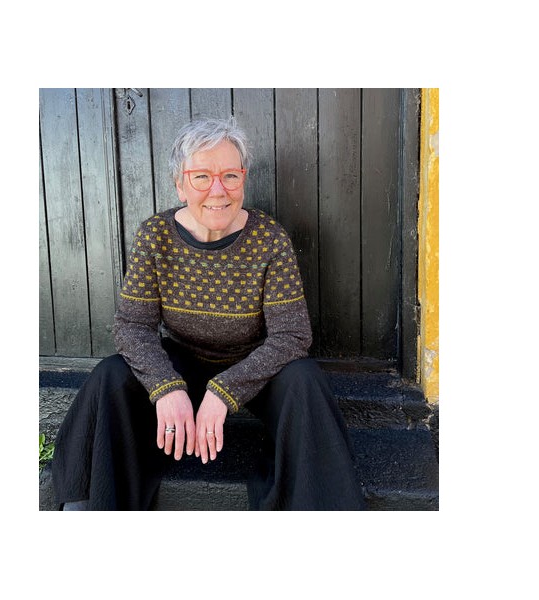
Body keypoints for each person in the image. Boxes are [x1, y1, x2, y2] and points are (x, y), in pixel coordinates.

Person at [52, 117, 366, 510]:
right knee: (111, 374)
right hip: (183, 361)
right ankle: (86, 506)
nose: (218, 190)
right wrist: (166, 386)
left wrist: (224, 391)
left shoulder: (269, 239)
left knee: (306, 379)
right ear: (180, 185)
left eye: (230, 175)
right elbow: (132, 326)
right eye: (201, 176)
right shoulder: (156, 235)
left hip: (253, 366)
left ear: (243, 180)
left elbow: (292, 336)